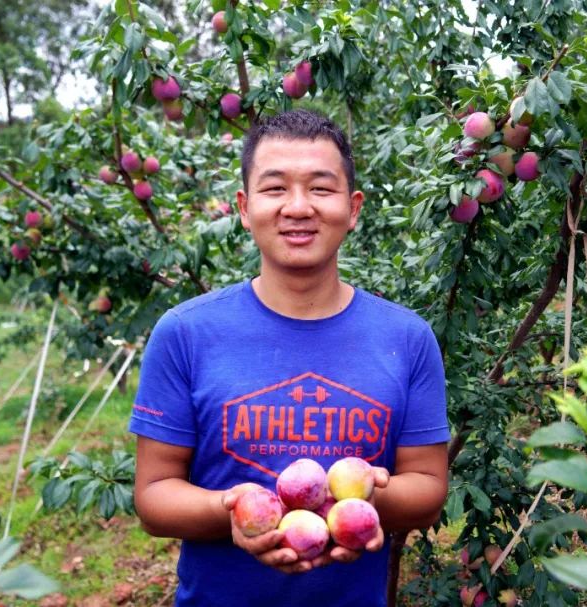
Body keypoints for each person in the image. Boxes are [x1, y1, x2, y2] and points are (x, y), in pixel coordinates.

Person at [129, 110, 449, 607]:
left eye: (321, 188)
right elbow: (153, 499)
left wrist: (366, 498)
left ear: (354, 207)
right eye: (275, 188)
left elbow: (428, 489)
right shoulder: (186, 333)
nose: (298, 207)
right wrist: (232, 511)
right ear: (243, 206)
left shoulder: (407, 338)